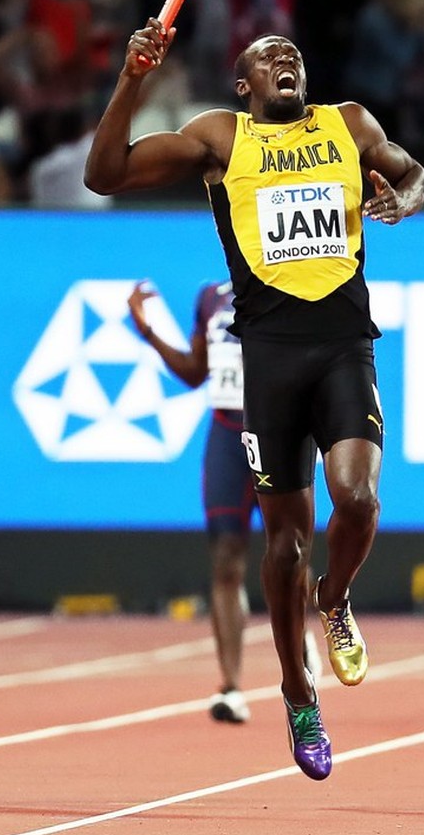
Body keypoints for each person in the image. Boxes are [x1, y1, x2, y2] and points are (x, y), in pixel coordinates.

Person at [85, 28, 424, 781]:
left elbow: (412, 174)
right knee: (283, 546)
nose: (287, 63)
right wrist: (132, 80)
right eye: (269, 59)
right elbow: (105, 174)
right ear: (244, 85)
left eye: (295, 56)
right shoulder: (219, 138)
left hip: (344, 343)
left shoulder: (350, 124)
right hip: (267, 361)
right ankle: (298, 692)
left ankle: (333, 600)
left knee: (359, 498)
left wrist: (398, 197)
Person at [126, 279, 322, 725]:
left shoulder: (293, 279)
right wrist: (150, 333)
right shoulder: (211, 295)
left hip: (279, 433)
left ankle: (299, 632)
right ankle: (231, 686)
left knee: (289, 553)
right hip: (227, 437)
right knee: (226, 561)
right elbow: (196, 372)